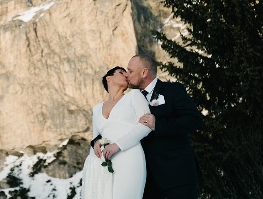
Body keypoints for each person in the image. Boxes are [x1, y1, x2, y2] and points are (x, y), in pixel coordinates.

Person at [93, 55, 203, 198]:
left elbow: (194, 120)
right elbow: (117, 126)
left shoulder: (172, 90)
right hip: (145, 180)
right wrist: (97, 140)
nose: (126, 75)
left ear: (144, 73)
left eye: (130, 71)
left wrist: (158, 124)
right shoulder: (129, 99)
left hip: (177, 175)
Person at [82, 66, 152, 199]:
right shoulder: (97, 109)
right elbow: (96, 138)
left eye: (127, 73)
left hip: (129, 157)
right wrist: (96, 143)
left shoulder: (134, 95)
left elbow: (146, 125)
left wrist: (117, 145)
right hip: (105, 163)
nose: (126, 75)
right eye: (121, 72)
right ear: (109, 78)